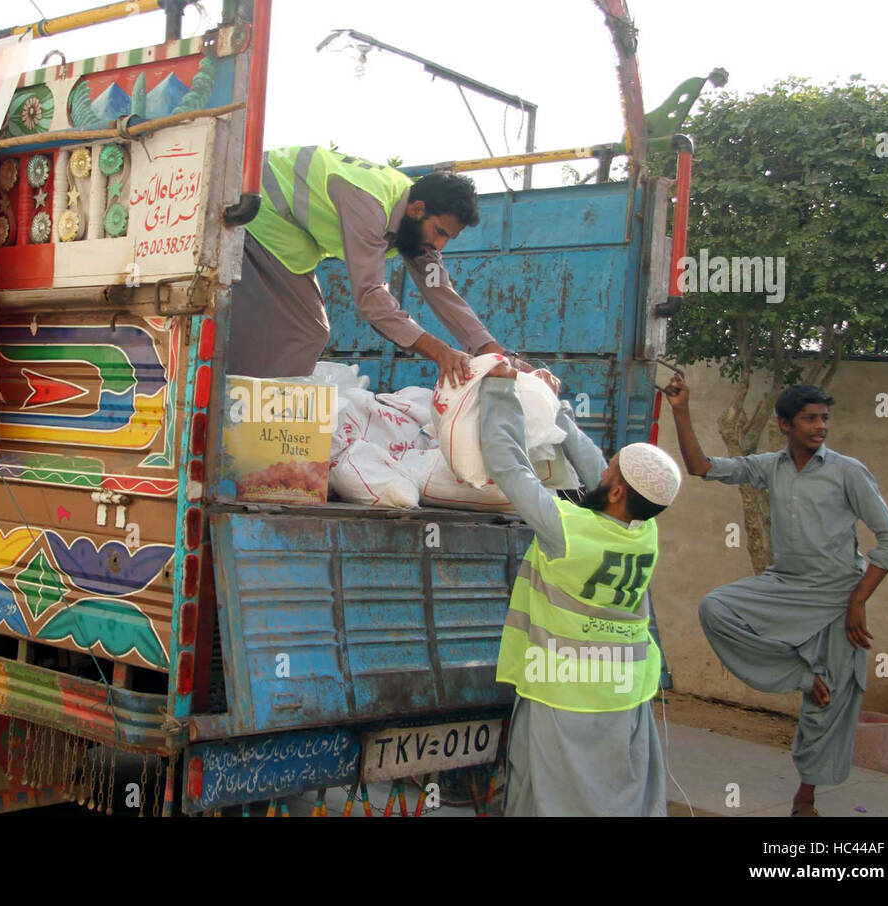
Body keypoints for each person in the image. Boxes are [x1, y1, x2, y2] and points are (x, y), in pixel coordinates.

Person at [665, 375, 888, 817]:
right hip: (785, 585)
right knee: (715, 607)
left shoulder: (847, 472)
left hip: (836, 596)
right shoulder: (769, 466)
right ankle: (798, 674)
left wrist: (857, 601)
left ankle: (805, 801)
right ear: (785, 425)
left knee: (828, 703)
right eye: (810, 419)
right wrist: (681, 410)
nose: (820, 427)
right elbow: (701, 467)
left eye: (824, 419)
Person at [482, 356, 681, 816]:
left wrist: (501, 390)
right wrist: (557, 408)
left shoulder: (567, 530)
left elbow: (507, 465)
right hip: (622, 690)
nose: (603, 470)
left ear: (615, 491)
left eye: (611, 471)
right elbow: (597, 472)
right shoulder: (645, 533)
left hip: (564, 691)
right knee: (612, 796)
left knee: (551, 795)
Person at [229, 145, 539, 388]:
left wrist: (494, 351)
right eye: (440, 233)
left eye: (449, 238)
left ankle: (253, 406)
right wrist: (440, 352)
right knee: (304, 331)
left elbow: (439, 290)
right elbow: (371, 298)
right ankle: (249, 418)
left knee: (302, 330)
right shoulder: (369, 204)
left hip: (281, 225)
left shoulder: (414, 220)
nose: (439, 246)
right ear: (418, 210)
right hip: (258, 211)